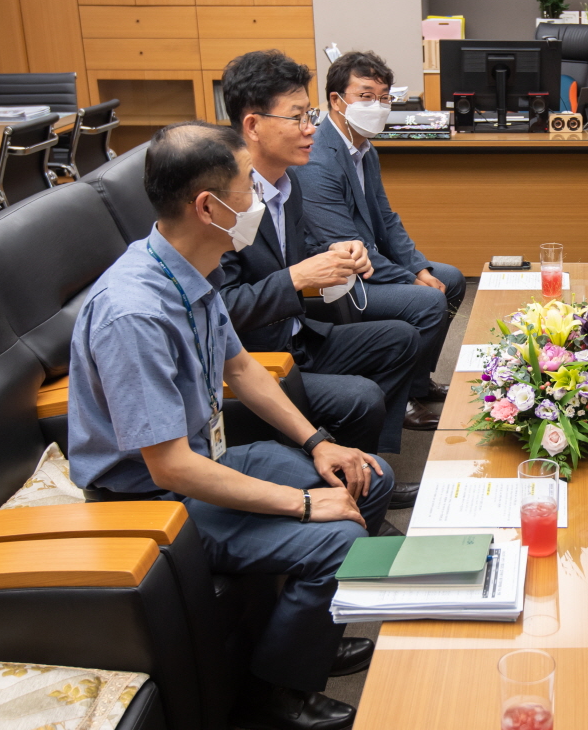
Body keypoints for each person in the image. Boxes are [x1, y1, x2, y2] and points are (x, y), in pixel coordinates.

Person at [68, 122, 391, 730]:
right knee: (338, 536)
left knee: (364, 477)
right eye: (248, 186)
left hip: (201, 462)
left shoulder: (191, 265)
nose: (259, 198)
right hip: (148, 499)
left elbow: (240, 368)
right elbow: (170, 467)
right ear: (208, 207)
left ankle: (306, 635)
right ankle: (277, 694)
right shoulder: (133, 313)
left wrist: (319, 443)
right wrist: (302, 504)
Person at [213, 50, 426, 500]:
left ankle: (369, 467)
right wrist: (297, 277)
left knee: (401, 339)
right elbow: (221, 308)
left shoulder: (286, 184)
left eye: (309, 115)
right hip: (258, 360)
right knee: (362, 395)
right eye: (297, 118)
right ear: (253, 125)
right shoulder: (224, 201)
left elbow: (296, 254)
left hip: (299, 336)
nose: (311, 128)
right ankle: (352, 485)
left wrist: (335, 253)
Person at [295, 51, 466, 429]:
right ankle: (397, 399)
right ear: (337, 100)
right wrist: (410, 280)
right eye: (366, 96)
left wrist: (419, 268)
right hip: (340, 279)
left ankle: (417, 384)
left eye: (384, 97)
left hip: (368, 259)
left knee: (449, 279)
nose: (377, 106)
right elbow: (345, 247)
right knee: (428, 301)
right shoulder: (318, 158)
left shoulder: (363, 147)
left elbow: (386, 218)